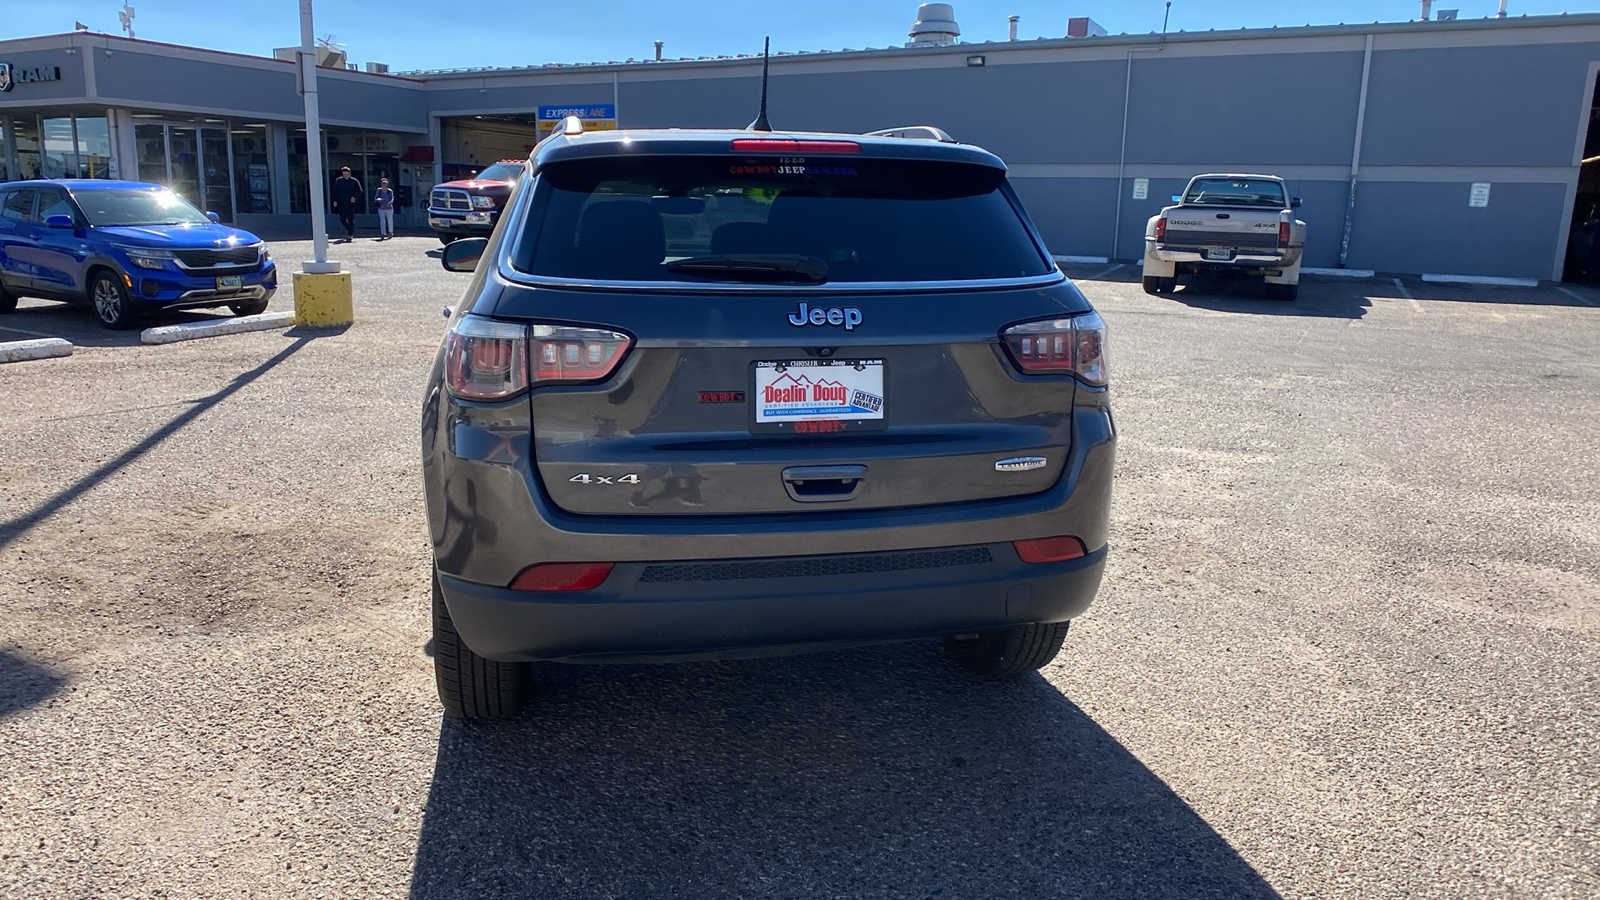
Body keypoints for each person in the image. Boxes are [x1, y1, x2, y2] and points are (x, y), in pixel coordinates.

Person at [330, 166, 362, 242]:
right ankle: (349, 229)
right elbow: (335, 191)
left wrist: (354, 196)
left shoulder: (354, 181)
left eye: (346, 174)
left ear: (349, 173)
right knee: (342, 218)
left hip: (351, 203)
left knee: (350, 218)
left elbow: (360, 191)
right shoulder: (338, 181)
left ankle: (350, 234)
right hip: (342, 202)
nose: (345, 176)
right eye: (344, 174)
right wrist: (335, 200)